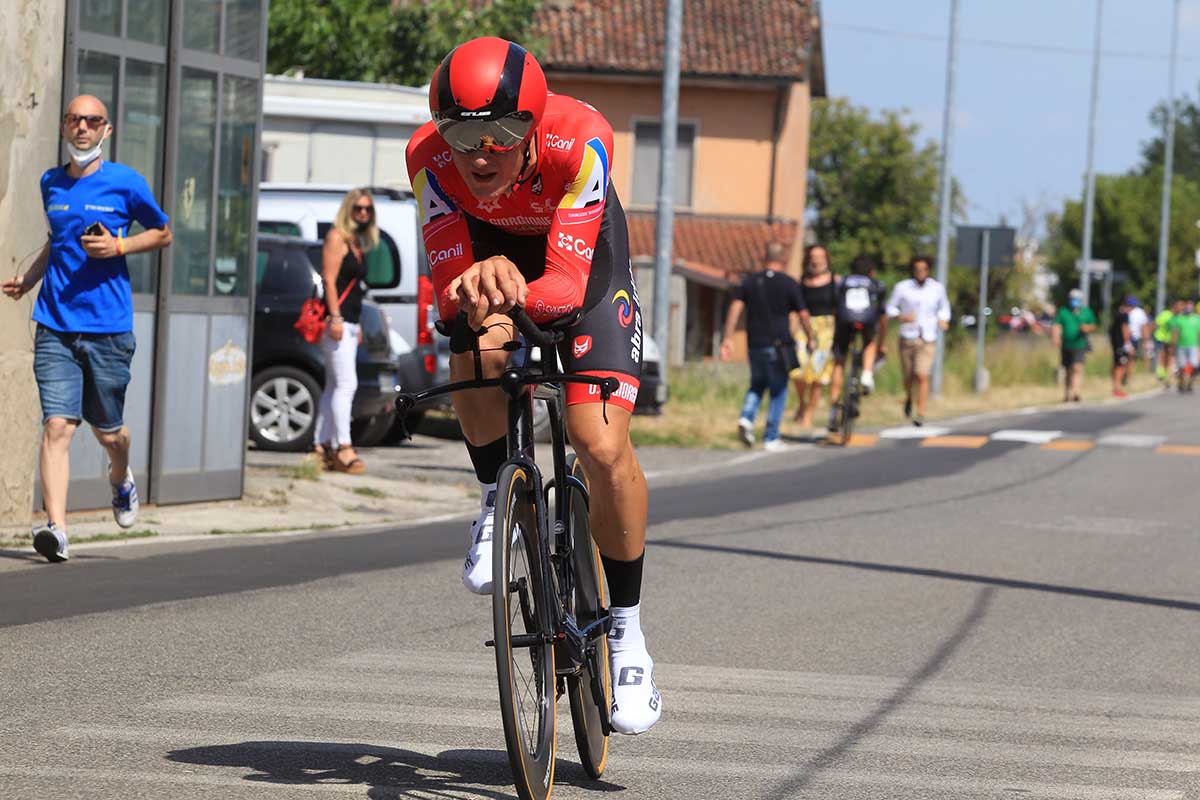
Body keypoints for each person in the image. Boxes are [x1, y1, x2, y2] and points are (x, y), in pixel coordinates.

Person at [405, 37, 659, 734]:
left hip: (580, 265)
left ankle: (628, 632)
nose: (481, 153)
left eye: (502, 134)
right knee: (475, 335)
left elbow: (565, 290)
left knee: (597, 443)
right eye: (463, 134)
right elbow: (447, 288)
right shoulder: (428, 161)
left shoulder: (581, 145)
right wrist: (474, 294)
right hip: (495, 255)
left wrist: (515, 288)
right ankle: (496, 497)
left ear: (533, 127)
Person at [1, 94, 171, 563]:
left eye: (92, 121)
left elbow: (163, 232)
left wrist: (120, 246)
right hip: (55, 322)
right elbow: (56, 243)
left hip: (108, 328)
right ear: (63, 127)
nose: (83, 128)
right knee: (57, 425)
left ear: (106, 130)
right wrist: (29, 280)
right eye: (75, 120)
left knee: (109, 433)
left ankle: (120, 477)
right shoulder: (50, 182)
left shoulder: (126, 183)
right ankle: (57, 530)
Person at [720, 242, 812, 451]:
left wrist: (728, 337)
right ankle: (771, 437)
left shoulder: (750, 282)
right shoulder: (789, 283)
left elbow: (735, 308)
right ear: (784, 260)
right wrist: (810, 338)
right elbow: (803, 314)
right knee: (778, 390)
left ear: (765, 258)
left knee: (757, 385)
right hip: (779, 345)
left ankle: (746, 418)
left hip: (755, 344)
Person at [314, 188, 373, 475]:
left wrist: (355, 324)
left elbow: (356, 290)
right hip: (336, 321)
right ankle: (343, 447)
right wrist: (335, 316)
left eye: (367, 209)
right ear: (348, 209)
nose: (363, 214)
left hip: (350, 322)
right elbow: (329, 279)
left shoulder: (356, 241)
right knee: (347, 385)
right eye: (358, 209)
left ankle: (320, 444)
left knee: (334, 385)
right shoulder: (337, 237)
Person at [884, 255, 951, 426]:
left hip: (928, 337)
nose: (920, 272)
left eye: (924, 269)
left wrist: (943, 319)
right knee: (908, 376)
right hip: (908, 335)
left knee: (922, 375)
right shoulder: (902, 287)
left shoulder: (937, 288)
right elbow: (890, 307)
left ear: (928, 270)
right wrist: (900, 316)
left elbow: (944, 308)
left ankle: (920, 412)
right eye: (917, 269)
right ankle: (908, 397)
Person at [827, 255, 887, 434]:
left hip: (845, 321)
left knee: (839, 361)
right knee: (869, 342)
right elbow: (881, 311)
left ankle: (833, 406)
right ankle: (867, 375)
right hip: (866, 320)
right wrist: (881, 341)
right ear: (871, 271)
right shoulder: (876, 284)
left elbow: (834, 305)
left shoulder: (843, 281)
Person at [791, 244, 837, 434]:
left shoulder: (836, 282)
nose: (817, 260)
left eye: (820, 256)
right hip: (805, 326)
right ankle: (802, 402)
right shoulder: (802, 282)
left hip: (827, 329)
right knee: (798, 369)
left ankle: (809, 412)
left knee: (819, 372)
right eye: (813, 256)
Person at [1051, 288, 1096, 403]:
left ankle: (1076, 392)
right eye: (1072, 299)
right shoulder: (1063, 311)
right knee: (1067, 369)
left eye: (1076, 299)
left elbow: (1093, 325)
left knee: (1077, 367)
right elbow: (1056, 325)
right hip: (1066, 345)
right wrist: (1055, 337)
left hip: (1080, 344)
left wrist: (1087, 328)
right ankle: (1067, 394)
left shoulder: (1086, 312)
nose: (1074, 301)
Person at [1169, 299, 1200, 393]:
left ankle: (1190, 383)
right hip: (1181, 345)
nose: (1188, 307)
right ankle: (1181, 383)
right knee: (1182, 366)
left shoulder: (1197, 319)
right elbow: (1175, 333)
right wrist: (1173, 345)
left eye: (1190, 305)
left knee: (1195, 365)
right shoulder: (1179, 319)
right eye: (1187, 306)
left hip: (1193, 345)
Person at [1152, 299, 1181, 383]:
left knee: (1169, 357)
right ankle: (1161, 374)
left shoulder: (1177, 316)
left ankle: (1167, 374)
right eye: (1179, 306)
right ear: (1174, 307)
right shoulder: (1166, 314)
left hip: (1169, 340)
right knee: (1162, 356)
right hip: (1160, 338)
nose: (1180, 308)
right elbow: (1155, 324)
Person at [1108, 297, 1133, 398]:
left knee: (1116, 365)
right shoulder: (1124, 315)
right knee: (1120, 366)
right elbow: (1125, 329)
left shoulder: (1117, 314)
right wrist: (1128, 343)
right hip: (1121, 345)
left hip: (1115, 344)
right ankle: (1117, 388)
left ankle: (1115, 387)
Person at [1124, 295, 1149, 380]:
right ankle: (1128, 376)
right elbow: (1143, 327)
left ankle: (1130, 376)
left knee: (1132, 357)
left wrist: (1145, 340)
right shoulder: (1128, 312)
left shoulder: (1138, 312)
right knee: (1131, 358)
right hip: (1131, 337)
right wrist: (1146, 340)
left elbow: (1143, 327)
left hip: (1134, 337)